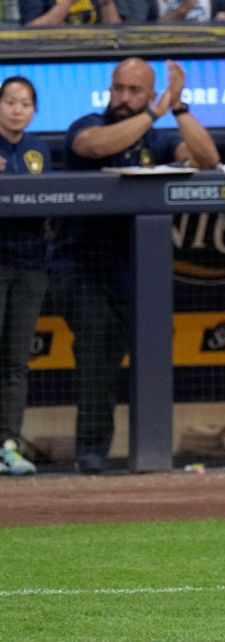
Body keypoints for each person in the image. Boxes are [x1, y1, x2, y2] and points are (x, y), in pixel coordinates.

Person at [50, 57, 219, 473]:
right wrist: (152, 112)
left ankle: (149, 452)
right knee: (96, 348)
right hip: (80, 262)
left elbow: (206, 159)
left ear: (148, 91)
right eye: (118, 89)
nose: (123, 98)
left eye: (134, 91)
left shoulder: (157, 139)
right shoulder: (88, 123)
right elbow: (95, 146)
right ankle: (91, 452)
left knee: (145, 348)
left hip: (136, 267)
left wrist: (178, 109)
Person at [0, 77, 51, 476]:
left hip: (30, 264)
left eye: (25, 103)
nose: (17, 109)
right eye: (10, 101)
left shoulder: (40, 150)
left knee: (16, 361)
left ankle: (8, 444)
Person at [19, 0, 121, 25]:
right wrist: (67, 3)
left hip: (95, 50)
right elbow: (31, 28)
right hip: (53, 51)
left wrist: (106, 4)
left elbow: (115, 27)